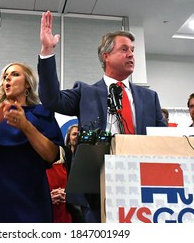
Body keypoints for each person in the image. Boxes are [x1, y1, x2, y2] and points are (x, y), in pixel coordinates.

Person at [38, 11, 166, 222]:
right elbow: (51, 99)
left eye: (132, 50)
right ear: (105, 56)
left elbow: (162, 140)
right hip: (97, 187)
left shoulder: (149, 98)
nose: (131, 54)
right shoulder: (86, 92)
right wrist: (47, 50)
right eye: (124, 49)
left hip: (143, 185)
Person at [0, 62, 64, 223]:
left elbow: (51, 155)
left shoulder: (42, 113)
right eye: (5, 76)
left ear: (27, 84)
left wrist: (25, 126)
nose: (8, 78)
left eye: (15, 74)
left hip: (32, 197)